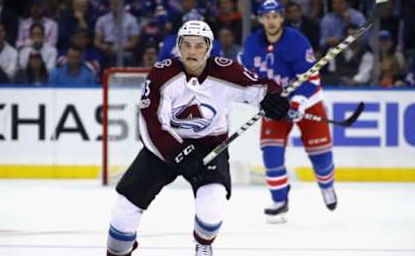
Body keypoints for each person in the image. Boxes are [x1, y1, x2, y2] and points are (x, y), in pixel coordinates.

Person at [105, 20, 289, 256]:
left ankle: (203, 244)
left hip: (210, 145)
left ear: (209, 48)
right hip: (166, 146)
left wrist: (274, 98)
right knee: (124, 211)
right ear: (178, 48)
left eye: (199, 46)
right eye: (187, 45)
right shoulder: (163, 73)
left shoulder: (226, 70)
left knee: (212, 209)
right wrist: (178, 152)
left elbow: (261, 89)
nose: (192, 51)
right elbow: (150, 123)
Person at [240, 0, 337, 223]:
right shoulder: (252, 44)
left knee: (320, 155)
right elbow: (247, 80)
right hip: (276, 105)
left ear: (282, 17)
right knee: (271, 152)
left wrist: (298, 103)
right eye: (267, 16)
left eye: (275, 16)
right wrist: (262, 101)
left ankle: (327, 186)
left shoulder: (297, 41)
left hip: (307, 102)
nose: (271, 21)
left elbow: (312, 79)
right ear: (261, 19)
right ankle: (279, 201)